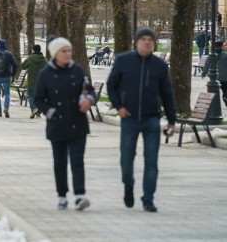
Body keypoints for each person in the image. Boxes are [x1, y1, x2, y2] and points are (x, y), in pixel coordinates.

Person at [106, 28, 176, 213]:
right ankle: (128, 185)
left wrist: (172, 120)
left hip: (151, 119)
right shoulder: (123, 61)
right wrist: (118, 106)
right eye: (143, 39)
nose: (146, 42)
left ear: (154, 43)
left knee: (151, 161)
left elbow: (167, 94)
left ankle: (148, 198)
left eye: (150, 40)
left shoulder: (160, 66)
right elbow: (111, 85)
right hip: (129, 118)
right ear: (136, 42)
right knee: (127, 159)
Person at [34, 37, 96, 211]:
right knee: (60, 163)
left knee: (77, 160)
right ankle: (62, 195)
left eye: (69, 50)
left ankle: (80, 195)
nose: (68, 54)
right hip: (57, 125)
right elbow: (38, 98)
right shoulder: (45, 73)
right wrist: (50, 112)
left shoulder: (77, 70)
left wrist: (88, 100)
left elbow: (88, 89)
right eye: (64, 51)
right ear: (55, 53)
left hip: (78, 123)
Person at [21, 44, 48, 118]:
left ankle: (33, 109)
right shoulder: (44, 59)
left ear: (33, 50)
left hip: (32, 82)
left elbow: (23, 66)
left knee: (31, 96)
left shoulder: (30, 58)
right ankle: (38, 113)